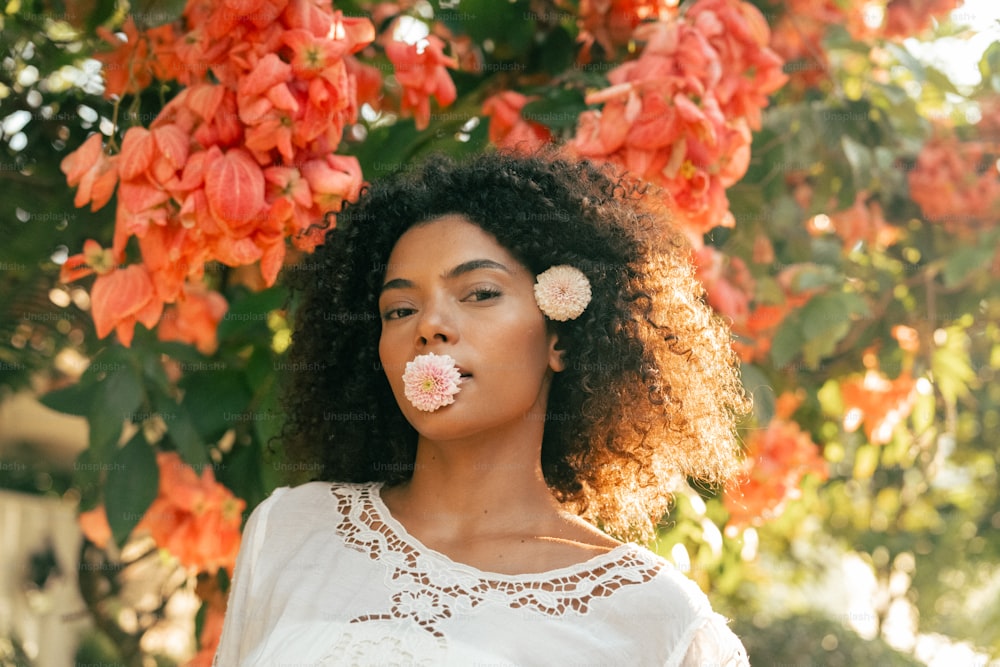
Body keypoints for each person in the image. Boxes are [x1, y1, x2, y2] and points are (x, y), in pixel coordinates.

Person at [213, 151, 752, 666]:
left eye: (480, 293)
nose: (429, 325)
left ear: (560, 341)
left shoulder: (656, 620)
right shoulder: (290, 530)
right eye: (399, 309)